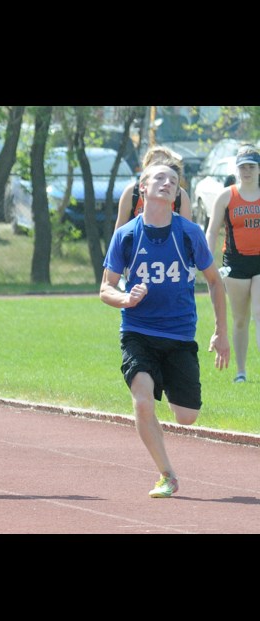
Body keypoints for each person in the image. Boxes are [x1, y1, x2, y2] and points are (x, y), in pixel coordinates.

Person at [100, 162, 229, 498]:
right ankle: (167, 474)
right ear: (143, 188)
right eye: (160, 178)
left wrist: (221, 332)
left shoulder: (189, 233)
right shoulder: (126, 235)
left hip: (180, 335)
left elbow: (215, 282)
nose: (168, 183)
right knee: (142, 402)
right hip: (138, 332)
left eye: (174, 180)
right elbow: (105, 288)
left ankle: (167, 400)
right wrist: (126, 298)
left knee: (187, 416)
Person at [206, 145, 260, 384]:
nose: (247, 171)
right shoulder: (227, 196)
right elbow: (211, 231)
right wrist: (207, 263)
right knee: (240, 319)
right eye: (243, 167)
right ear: (236, 170)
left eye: (251, 166)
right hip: (235, 265)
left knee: (259, 313)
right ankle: (241, 371)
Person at [114, 145, 193, 230]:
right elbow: (119, 228)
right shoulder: (132, 191)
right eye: (155, 164)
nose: (160, 168)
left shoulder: (180, 195)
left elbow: (188, 232)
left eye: (163, 163)